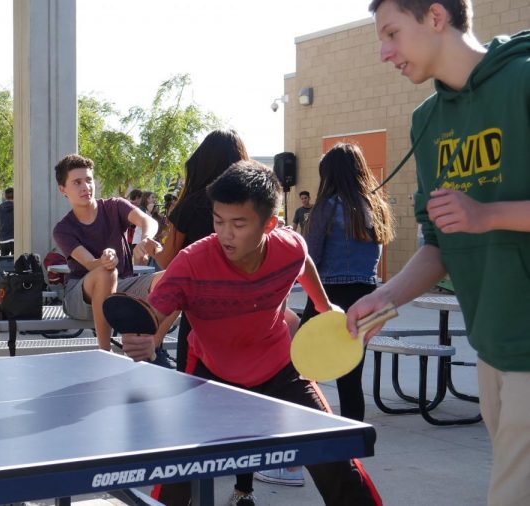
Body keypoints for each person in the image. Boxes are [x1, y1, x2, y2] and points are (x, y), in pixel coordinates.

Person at [349, 2, 530, 505]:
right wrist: (383, 299)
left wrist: (488, 215)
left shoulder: (523, 81)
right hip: (493, 346)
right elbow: (440, 245)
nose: (385, 53)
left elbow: (473, 218)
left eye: (391, 34)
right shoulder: (427, 121)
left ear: (434, 16)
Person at [124, 162, 382, 506]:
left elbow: (304, 261)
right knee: (178, 472)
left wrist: (324, 305)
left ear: (269, 224)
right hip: (212, 375)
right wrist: (146, 338)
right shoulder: (192, 262)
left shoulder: (288, 246)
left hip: (280, 370)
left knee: (335, 456)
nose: (225, 233)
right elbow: (156, 310)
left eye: (238, 223)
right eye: (219, 221)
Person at [300, 142, 395, 423]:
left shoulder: (325, 208)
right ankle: (354, 439)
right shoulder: (376, 206)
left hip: (328, 294)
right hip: (366, 294)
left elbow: (310, 257)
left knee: (304, 370)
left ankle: (305, 430)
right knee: (350, 375)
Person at [52, 154, 169, 362]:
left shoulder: (114, 206)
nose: (85, 187)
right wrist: (105, 259)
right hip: (81, 296)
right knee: (107, 272)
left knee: (176, 279)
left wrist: (146, 239)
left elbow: (147, 220)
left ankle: (154, 346)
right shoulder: (63, 229)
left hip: (122, 288)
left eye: (88, 180)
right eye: (77, 182)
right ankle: (105, 355)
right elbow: (90, 264)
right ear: (63, 189)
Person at [0, 187, 16, 256]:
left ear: (5, 196)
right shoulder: (19, 206)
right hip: (16, 239)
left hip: (3, 239)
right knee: (18, 263)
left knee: (3, 263)